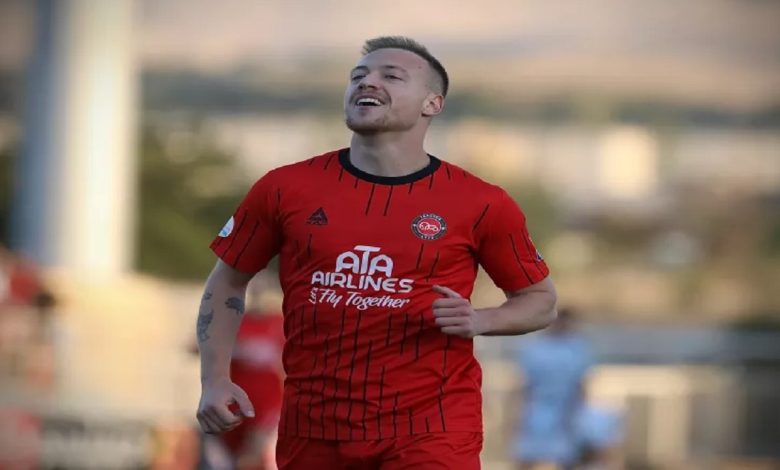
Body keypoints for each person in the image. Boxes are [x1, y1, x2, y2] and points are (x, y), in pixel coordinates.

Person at [195, 36, 557, 470]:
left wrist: (482, 320)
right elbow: (228, 282)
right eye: (358, 76)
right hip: (313, 427)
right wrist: (215, 380)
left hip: (431, 429)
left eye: (391, 76)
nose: (367, 82)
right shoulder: (284, 188)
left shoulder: (482, 203)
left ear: (432, 104)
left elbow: (540, 301)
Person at [511, 307, 594, 470]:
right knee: (526, 455)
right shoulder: (535, 348)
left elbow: (581, 384)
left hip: (565, 411)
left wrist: (578, 412)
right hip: (535, 411)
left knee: (567, 457)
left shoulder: (577, 347)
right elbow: (524, 385)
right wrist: (517, 414)